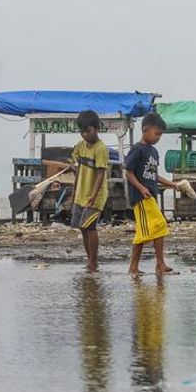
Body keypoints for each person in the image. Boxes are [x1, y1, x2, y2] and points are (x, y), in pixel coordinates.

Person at [124, 112, 179, 275]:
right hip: (140, 198)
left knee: (149, 231)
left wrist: (172, 184)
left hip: (150, 198)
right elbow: (128, 172)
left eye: (160, 135)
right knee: (156, 226)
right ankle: (154, 264)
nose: (158, 138)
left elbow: (155, 175)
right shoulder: (137, 150)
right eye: (156, 134)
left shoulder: (153, 152)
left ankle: (140, 267)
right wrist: (141, 187)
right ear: (145, 130)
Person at [70, 110, 109, 272]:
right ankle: (90, 259)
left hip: (96, 195)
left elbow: (101, 173)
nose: (85, 135)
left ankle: (93, 261)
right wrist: (74, 191)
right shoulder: (80, 146)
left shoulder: (101, 149)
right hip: (81, 193)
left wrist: (93, 195)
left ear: (96, 128)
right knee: (82, 227)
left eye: (88, 131)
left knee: (90, 227)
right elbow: (78, 168)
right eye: (82, 132)